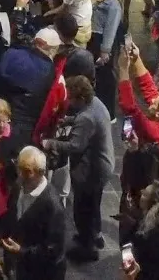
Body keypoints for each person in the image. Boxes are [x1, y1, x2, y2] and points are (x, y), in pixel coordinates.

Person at [43, 74, 114, 262]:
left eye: (72, 99)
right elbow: (83, 121)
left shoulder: (87, 118)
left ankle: (87, 247)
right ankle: (95, 236)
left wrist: (51, 143)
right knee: (94, 205)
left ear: (81, 98)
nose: (70, 103)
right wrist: (68, 121)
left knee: (83, 210)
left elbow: (75, 146)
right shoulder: (96, 103)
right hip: (104, 164)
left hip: (90, 171)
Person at [0, 146, 66, 280]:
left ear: (38, 173)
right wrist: (4, 232)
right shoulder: (19, 186)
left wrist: (21, 252)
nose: (19, 174)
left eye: (25, 171)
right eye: (18, 167)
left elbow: (53, 250)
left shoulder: (53, 207)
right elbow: (12, 212)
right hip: (20, 265)